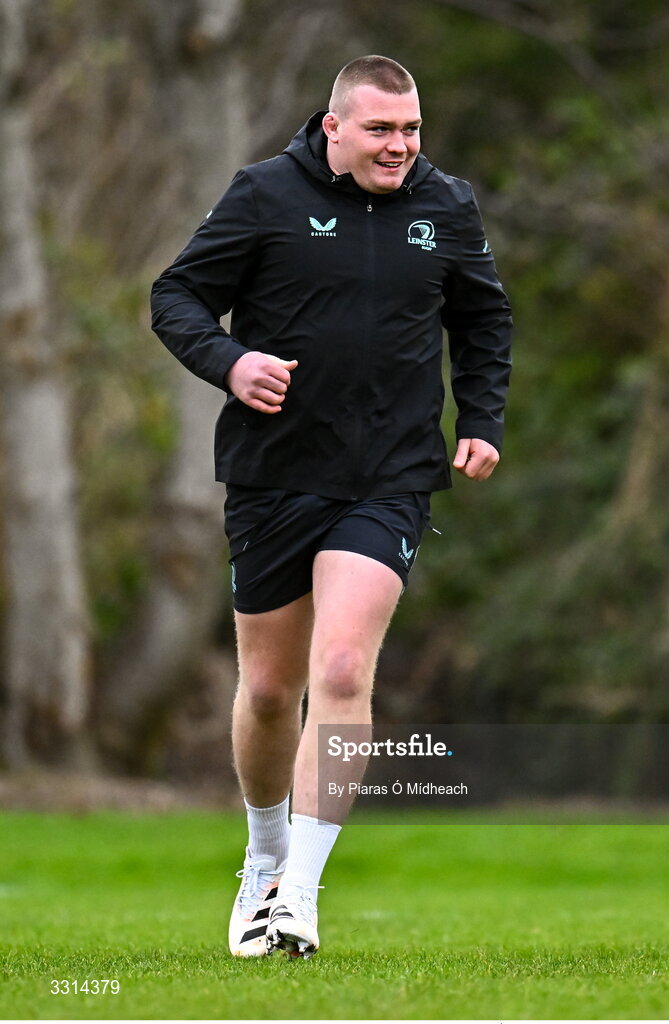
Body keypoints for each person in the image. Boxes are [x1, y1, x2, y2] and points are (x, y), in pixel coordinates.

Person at [150, 54, 512, 960]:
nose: (402, 147)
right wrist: (231, 363)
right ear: (335, 127)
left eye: (413, 129)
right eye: (383, 130)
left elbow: (483, 319)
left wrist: (482, 417)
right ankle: (264, 858)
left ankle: (299, 900)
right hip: (274, 477)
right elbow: (176, 296)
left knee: (344, 667)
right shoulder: (265, 195)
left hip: (389, 474)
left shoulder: (447, 207)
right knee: (272, 692)